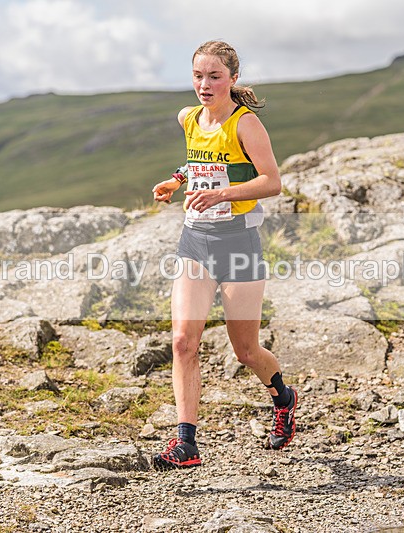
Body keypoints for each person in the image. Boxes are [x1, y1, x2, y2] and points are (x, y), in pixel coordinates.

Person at [150, 40, 297, 470]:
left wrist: (224, 194)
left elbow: (272, 182)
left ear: (233, 78)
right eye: (198, 75)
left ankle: (283, 398)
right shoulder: (188, 117)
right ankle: (186, 444)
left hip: (239, 243)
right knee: (182, 342)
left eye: (214, 76)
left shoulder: (246, 124)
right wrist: (176, 180)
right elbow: (197, 159)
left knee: (245, 351)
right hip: (195, 240)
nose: (204, 84)